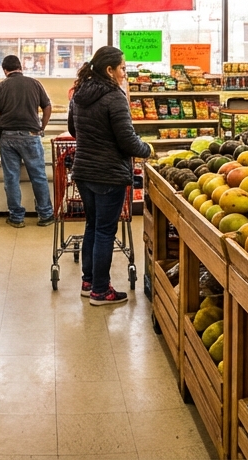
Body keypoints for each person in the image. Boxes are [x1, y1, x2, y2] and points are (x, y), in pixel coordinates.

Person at [68, 46, 151, 306]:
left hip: (84, 171)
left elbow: (73, 129)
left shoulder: (80, 93)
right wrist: (147, 150)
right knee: (105, 231)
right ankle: (101, 291)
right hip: (108, 174)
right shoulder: (114, 96)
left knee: (92, 226)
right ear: (109, 70)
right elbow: (127, 140)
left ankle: (89, 282)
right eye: (123, 68)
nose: (125, 73)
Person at [0, 55, 54, 228]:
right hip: (31, 135)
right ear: (20, 67)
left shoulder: (0, 87)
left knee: (11, 178)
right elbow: (47, 106)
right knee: (38, 176)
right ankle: (46, 214)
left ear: (5, 70)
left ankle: (17, 217)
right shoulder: (35, 83)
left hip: (8, 137)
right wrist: (41, 127)